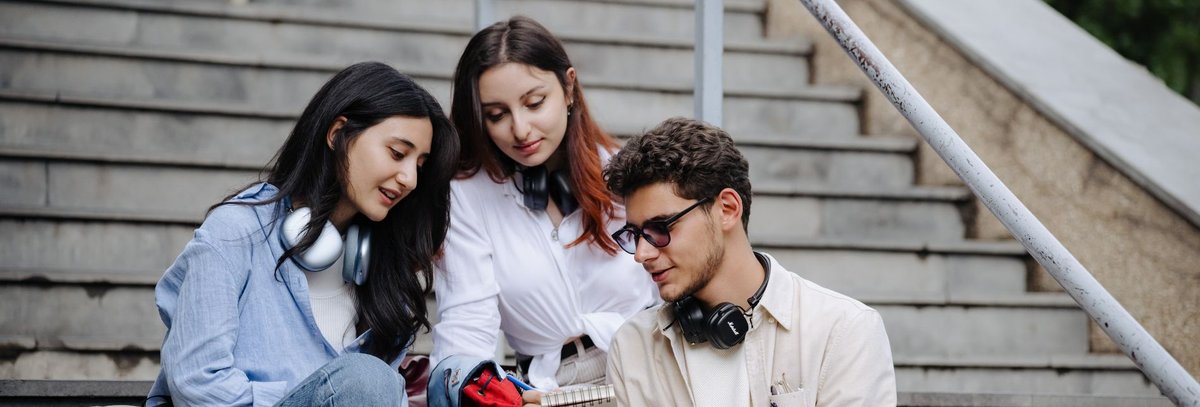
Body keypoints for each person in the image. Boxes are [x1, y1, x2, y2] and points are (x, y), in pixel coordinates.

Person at [145, 62, 459, 406]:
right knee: (365, 380)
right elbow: (197, 382)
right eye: (398, 153)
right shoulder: (236, 233)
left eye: (419, 166)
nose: (409, 179)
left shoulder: (380, 269)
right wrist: (315, 393)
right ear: (338, 133)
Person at [431, 16, 659, 390]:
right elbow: (467, 322)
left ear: (569, 88)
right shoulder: (466, 195)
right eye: (497, 115)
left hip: (649, 365)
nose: (520, 129)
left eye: (534, 103)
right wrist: (468, 389)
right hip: (552, 387)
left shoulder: (625, 170)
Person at [603, 117, 897, 406]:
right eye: (635, 234)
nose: (642, 254)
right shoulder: (632, 347)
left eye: (660, 228)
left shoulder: (842, 332)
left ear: (727, 209)